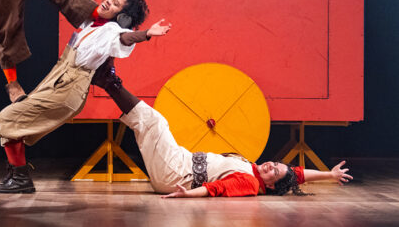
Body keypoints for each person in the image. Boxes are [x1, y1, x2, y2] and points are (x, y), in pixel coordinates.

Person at [0, 0, 172, 193]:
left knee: (7, 119)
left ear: (122, 17)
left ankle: (20, 179)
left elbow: (125, 39)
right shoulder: (91, 23)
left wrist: (146, 34)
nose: (108, 1)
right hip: (56, 79)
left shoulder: (113, 31)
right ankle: (18, 178)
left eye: (115, 4)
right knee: (15, 127)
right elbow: (69, 1)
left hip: (69, 88)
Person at [90, 68, 353, 197]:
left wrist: (186, 195)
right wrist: (329, 175)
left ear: (271, 185)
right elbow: (295, 174)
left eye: (273, 171)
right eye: (275, 164)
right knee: (148, 126)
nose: (271, 165)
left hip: (177, 174)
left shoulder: (250, 182)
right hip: (179, 162)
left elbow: (216, 189)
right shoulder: (255, 170)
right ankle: (107, 81)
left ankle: (109, 81)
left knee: (155, 122)